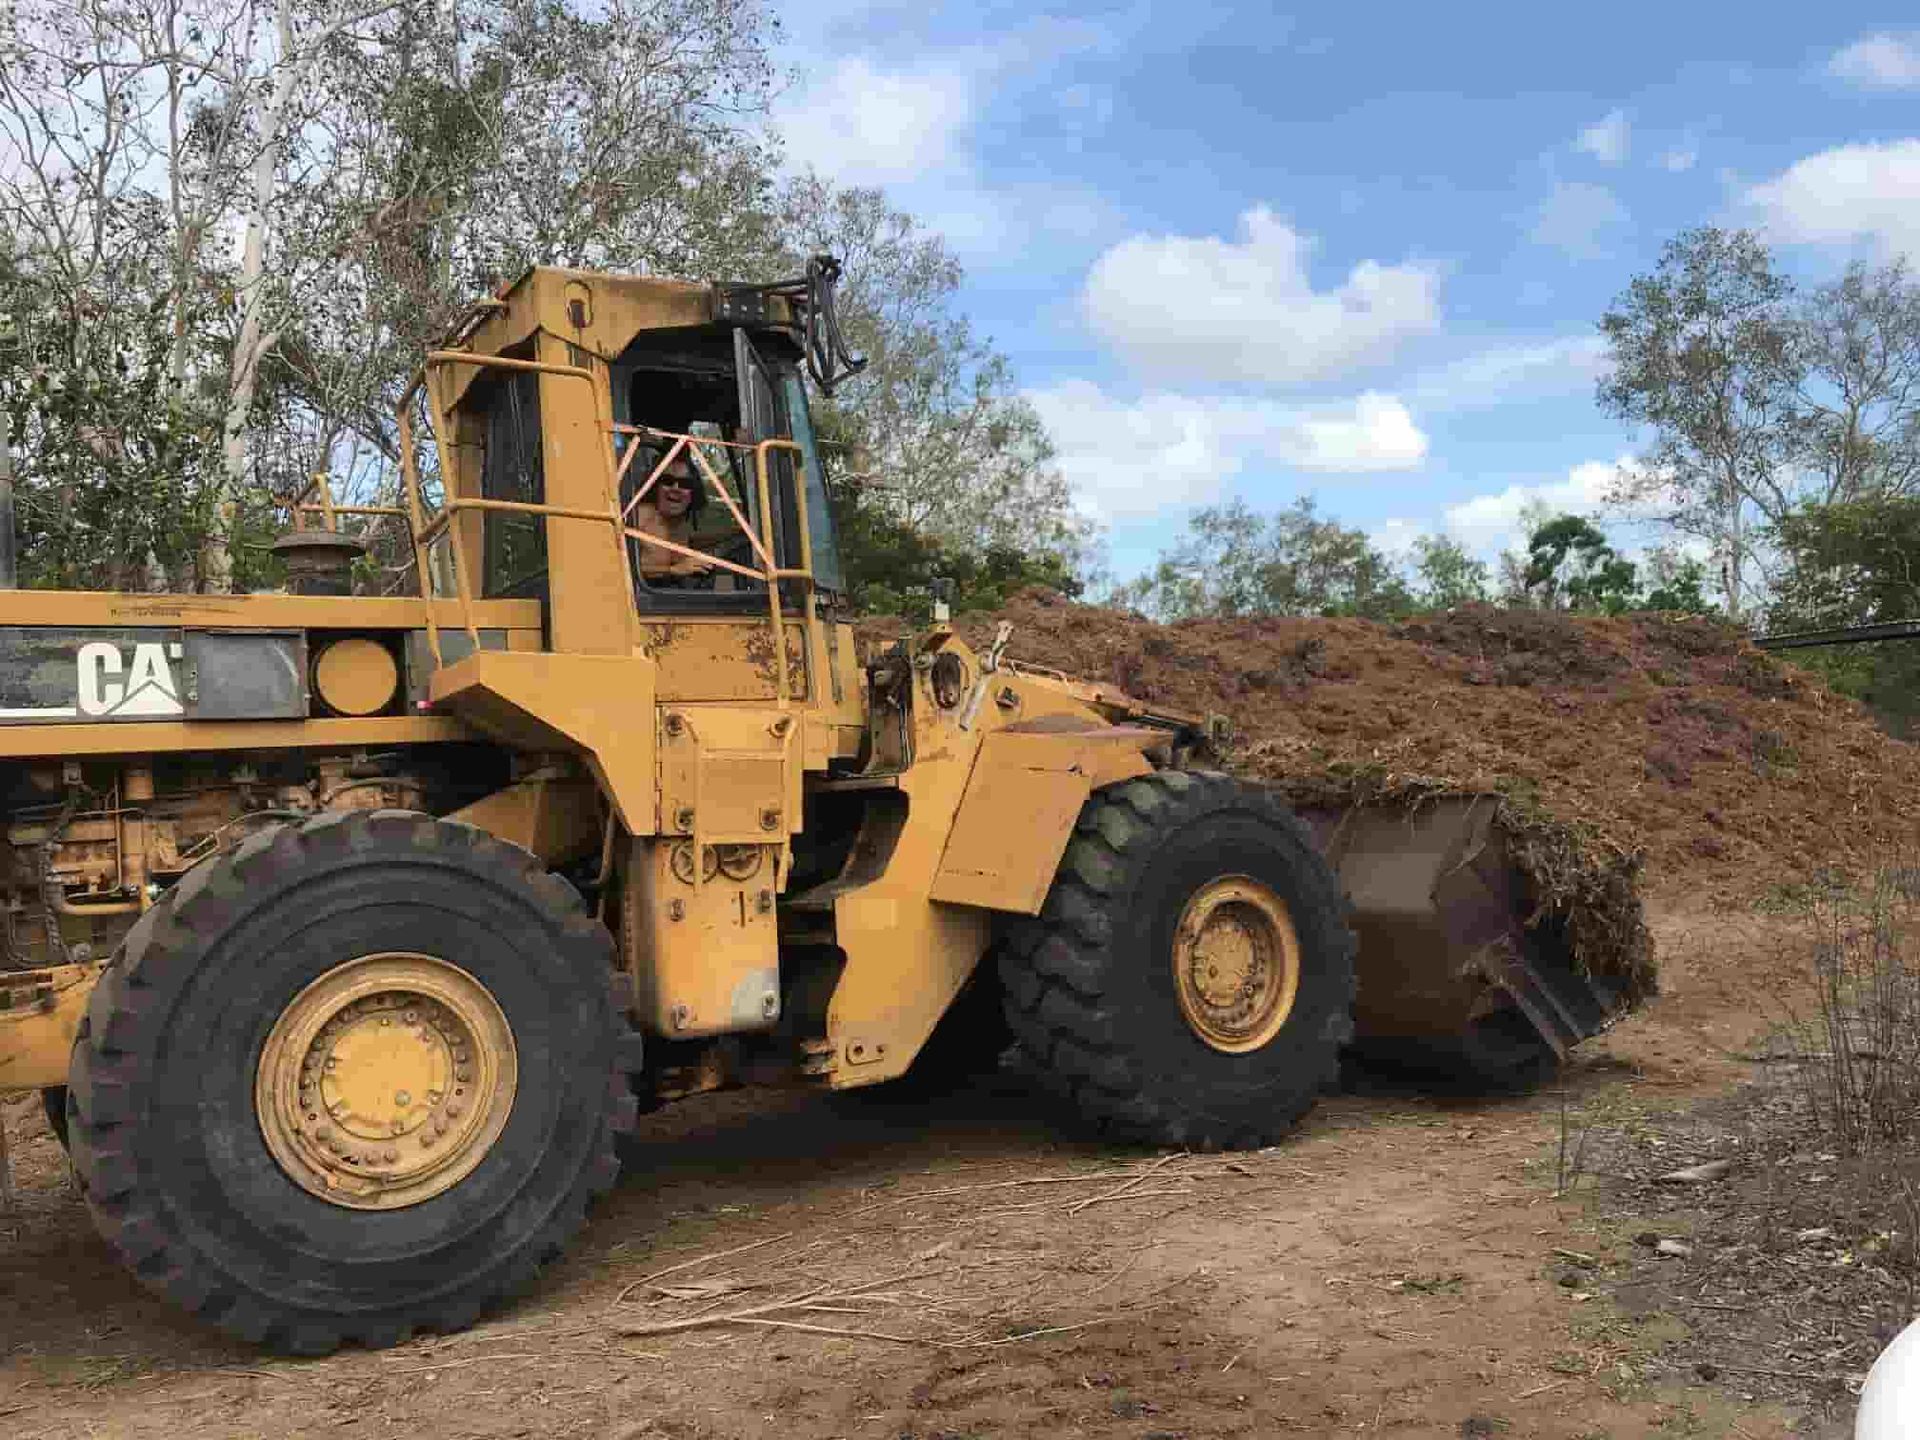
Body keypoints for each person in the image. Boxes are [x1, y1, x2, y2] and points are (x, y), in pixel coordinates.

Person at [630, 448, 715, 584]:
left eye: (685, 484)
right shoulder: (638, 517)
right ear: (655, 485)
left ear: (693, 492)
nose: (675, 488)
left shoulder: (681, 523)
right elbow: (617, 565)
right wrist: (672, 570)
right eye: (667, 481)